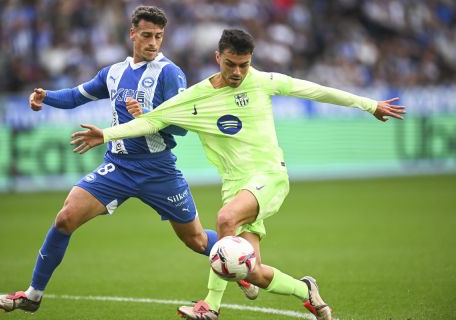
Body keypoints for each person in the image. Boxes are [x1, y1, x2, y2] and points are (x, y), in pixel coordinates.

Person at [70, 29, 406, 320]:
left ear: (251, 60)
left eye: (244, 64)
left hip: (269, 175)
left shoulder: (262, 82)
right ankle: (306, 290)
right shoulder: (196, 97)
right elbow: (153, 121)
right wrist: (108, 134)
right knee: (252, 270)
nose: (237, 71)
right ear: (218, 57)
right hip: (235, 186)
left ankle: (210, 307)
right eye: (230, 64)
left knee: (225, 220)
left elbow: (314, 89)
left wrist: (368, 104)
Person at [0, 7, 260, 314]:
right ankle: (32, 295)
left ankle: (238, 263)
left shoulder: (170, 74)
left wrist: (146, 117)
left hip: (159, 170)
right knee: (66, 217)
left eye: (159, 36)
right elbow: (77, 95)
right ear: (132, 34)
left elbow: (182, 127)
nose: (153, 42)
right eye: (146, 35)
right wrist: (45, 96)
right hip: (118, 167)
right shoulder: (113, 73)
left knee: (197, 240)